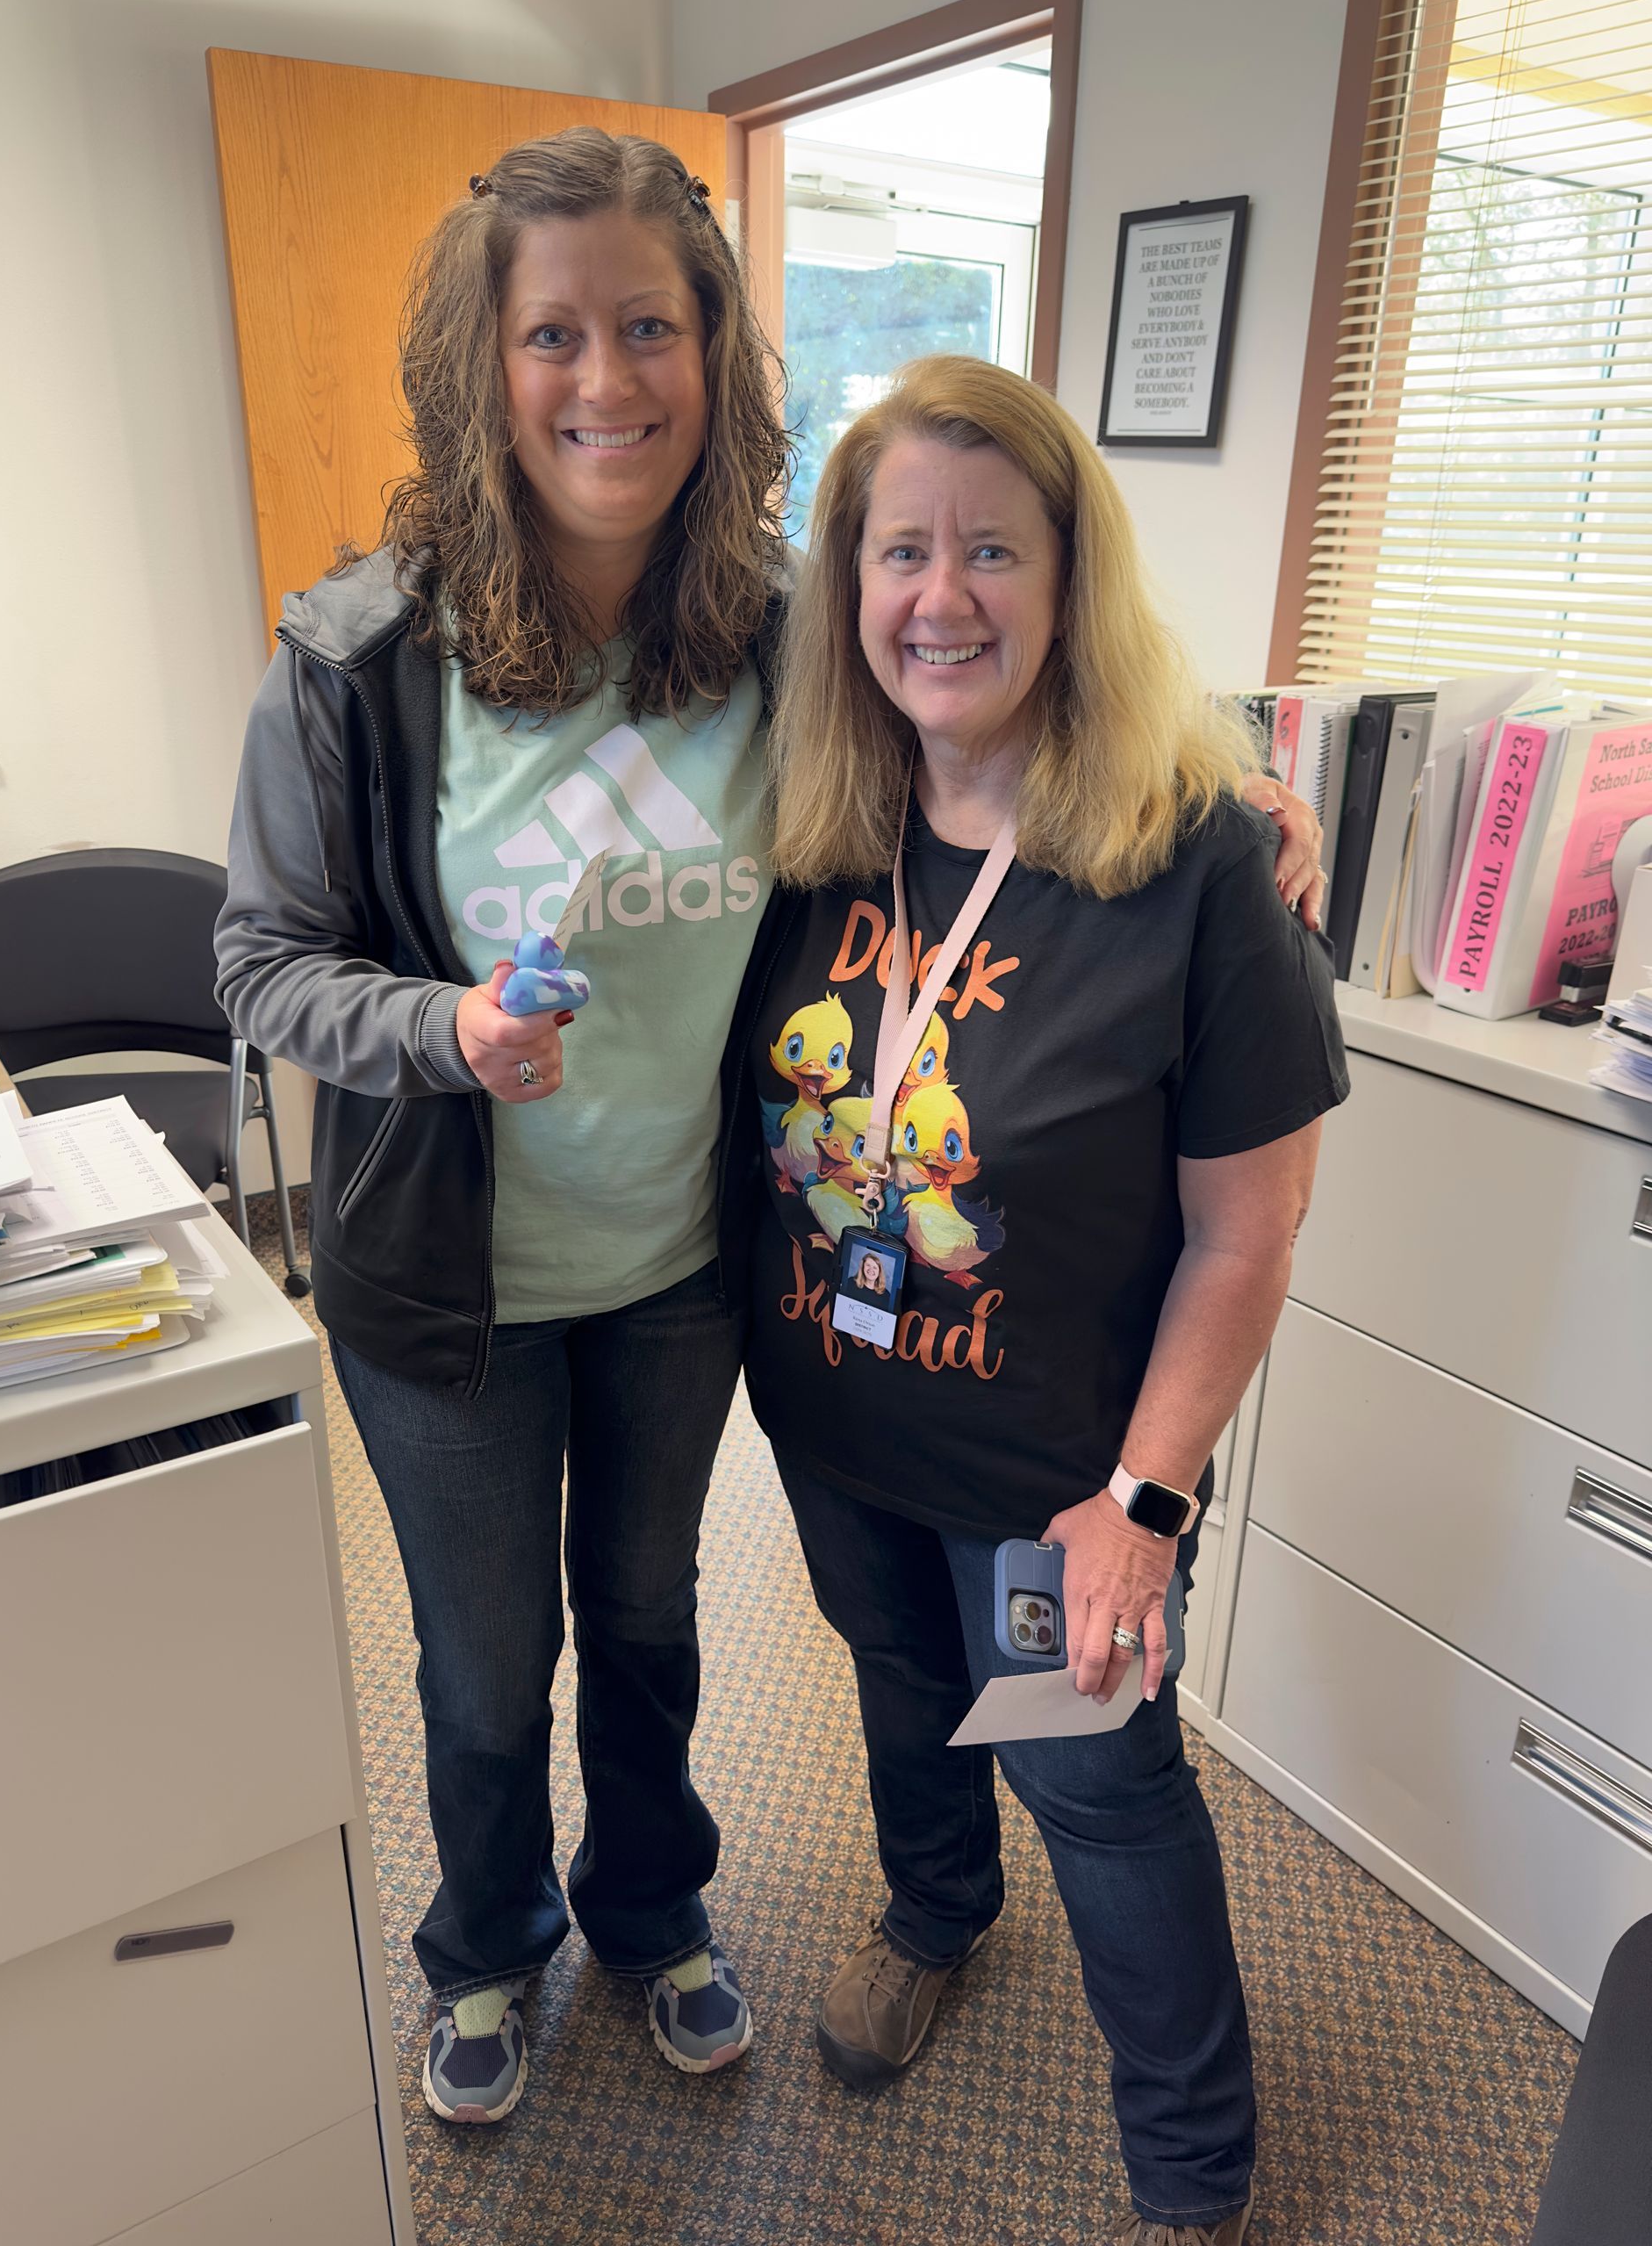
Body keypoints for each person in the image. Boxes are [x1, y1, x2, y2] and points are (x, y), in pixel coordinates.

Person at [216, 127, 1328, 2134]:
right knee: (486, 1673)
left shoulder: (769, 632)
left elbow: (996, 604)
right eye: (555, 333)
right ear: (488, 365)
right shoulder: (359, 662)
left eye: (652, 326)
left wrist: (1229, 783)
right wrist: (442, 1029)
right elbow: (258, 961)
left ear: (716, 356)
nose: (606, 377)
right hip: (443, 1288)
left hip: (679, 1271)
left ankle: (648, 1915)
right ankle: (483, 1945)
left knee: (649, 1628)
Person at [722, 356, 1349, 2246]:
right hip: (838, 1424)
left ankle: (1191, 2170)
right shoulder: (812, 822)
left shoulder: (1199, 860)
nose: (943, 594)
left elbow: (1246, 1240)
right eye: (901, 550)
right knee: (907, 1692)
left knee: (1099, 1788)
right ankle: (934, 1906)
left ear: (1073, 580)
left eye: (995, 548)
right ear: (846, 589)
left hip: (1068, 1471)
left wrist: (1143, 1503)